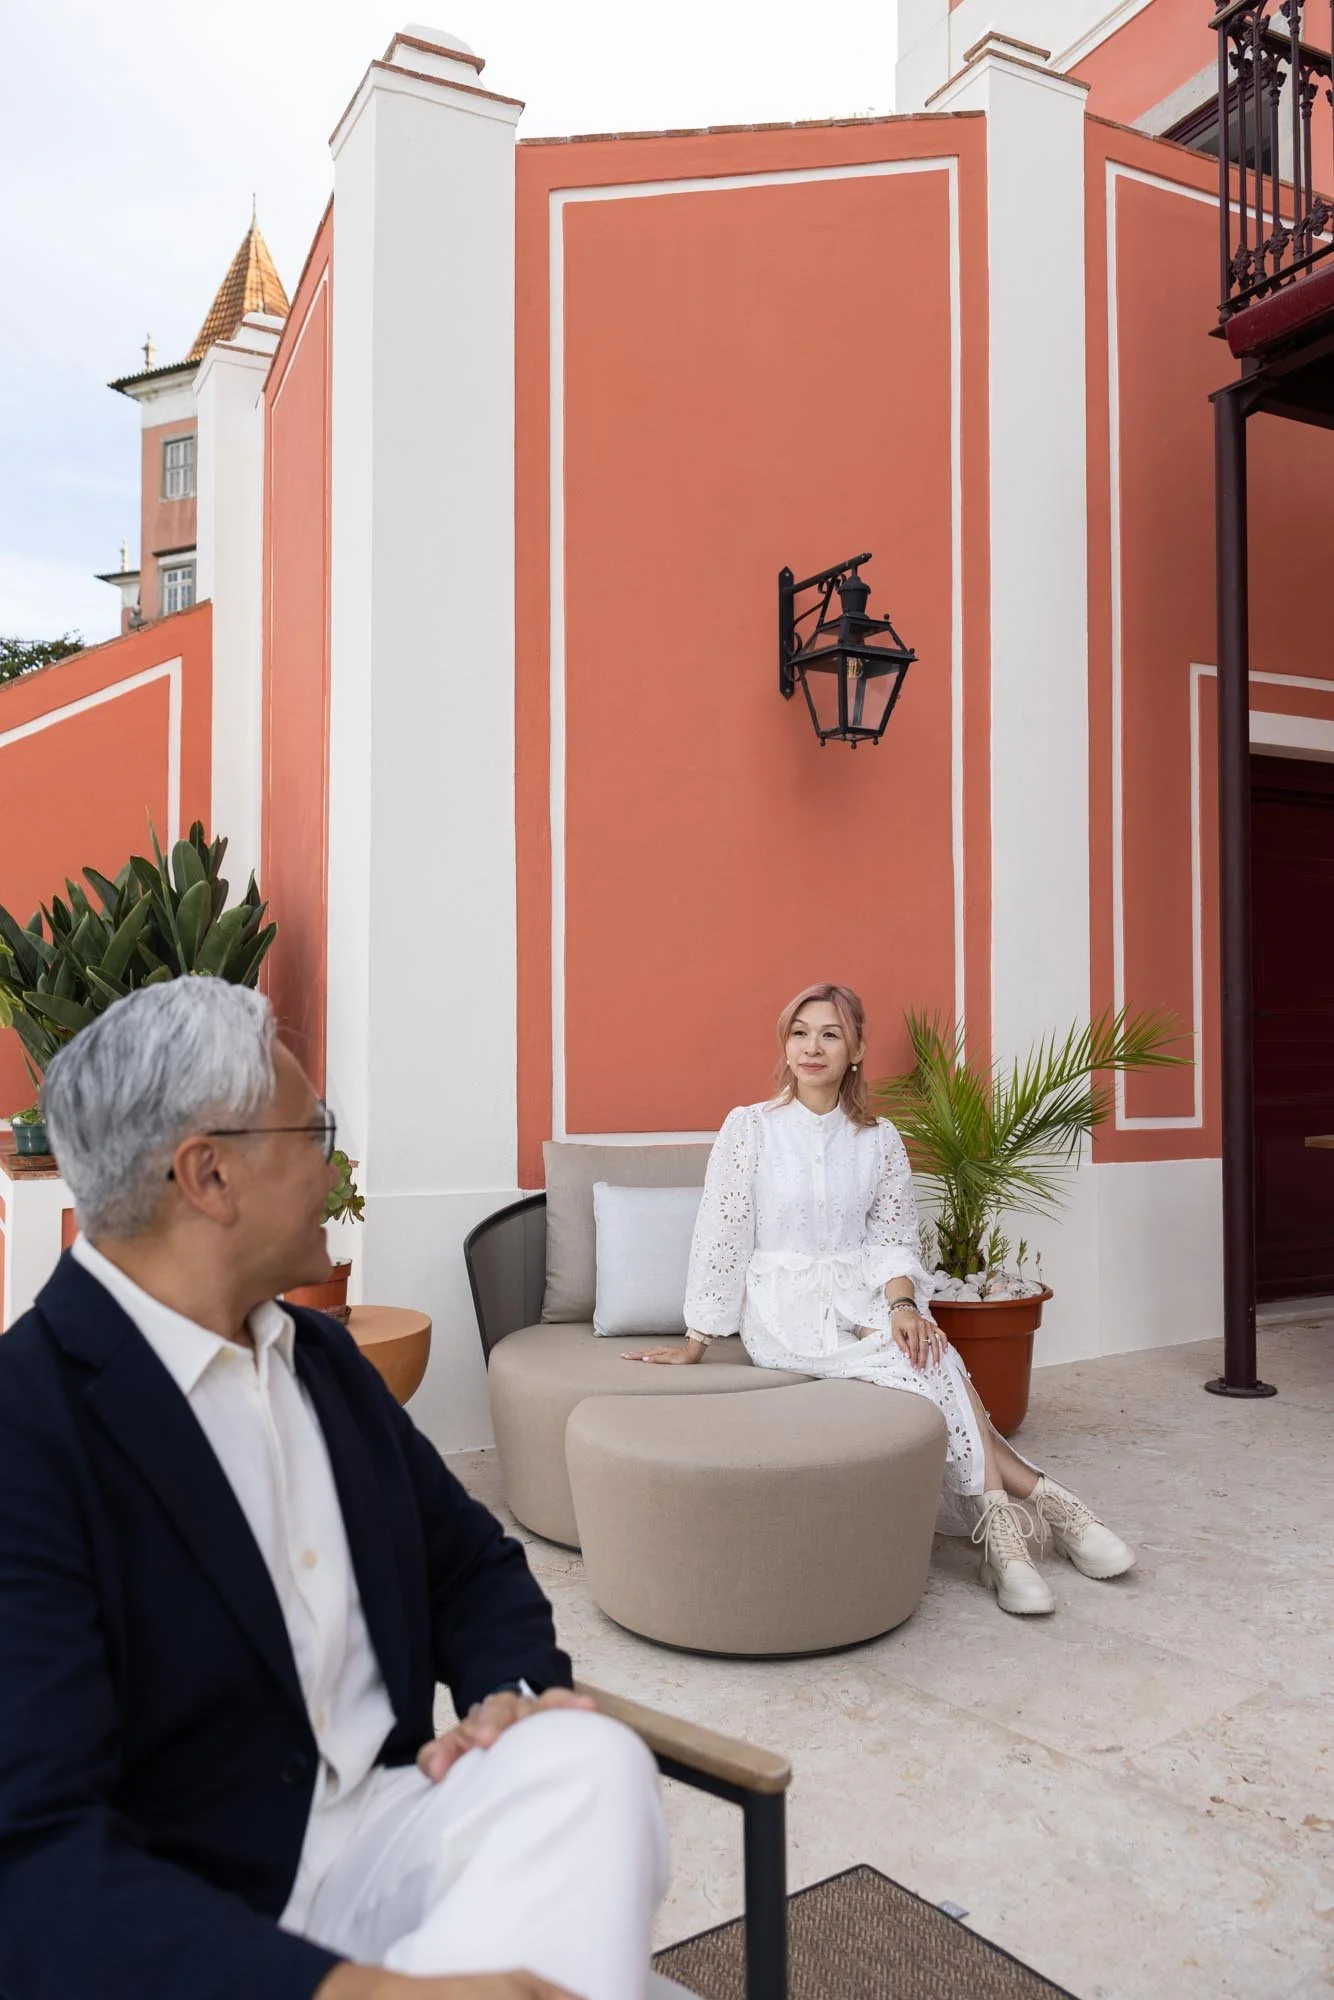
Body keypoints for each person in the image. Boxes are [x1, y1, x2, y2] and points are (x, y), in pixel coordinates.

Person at [0, 980, 668, 2000]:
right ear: (209, 1174)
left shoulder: (321, 1361)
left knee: (591, 1760)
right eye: (315, 1132)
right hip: (200, 1918)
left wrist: (508, 1692)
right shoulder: (27, 1426)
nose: (336, 1166)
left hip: (392, 1831)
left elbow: (469, 1566)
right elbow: (38, 1862)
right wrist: (356, 1991)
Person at [629, 982, 1135, 1617]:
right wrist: (698, 1338)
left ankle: (1006, 1536)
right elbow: (721, 1233)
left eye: (830, 1034)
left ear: (857, 1051)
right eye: (799, 1033)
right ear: (785, 1044)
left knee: (928, 1350)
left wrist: (903, 1308)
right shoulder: (749, 1128)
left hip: (863, 1294)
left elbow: (892, 1240)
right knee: (926, 1364)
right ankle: (1043, 1505)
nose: (812, 1047)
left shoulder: (880, 1138)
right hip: (785, 1310)